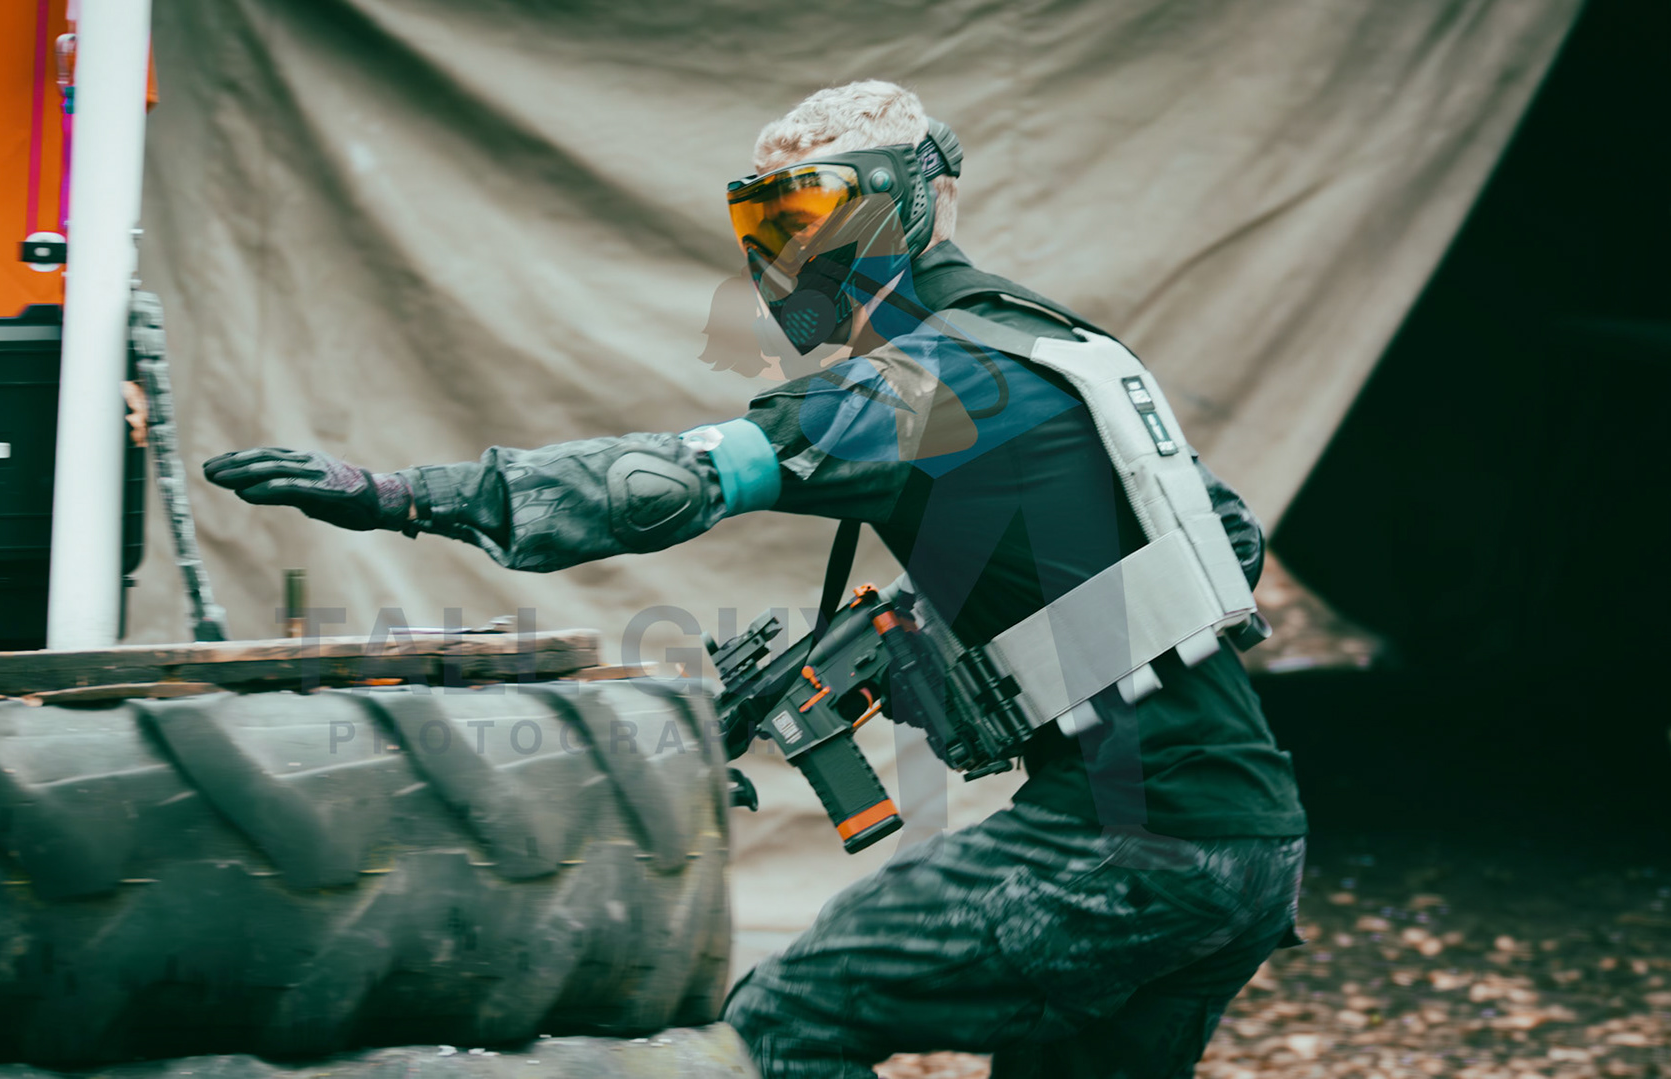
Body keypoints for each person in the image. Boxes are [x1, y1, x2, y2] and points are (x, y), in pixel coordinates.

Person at [204, 80, 1306, 1079]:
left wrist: (404, 495)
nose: (791, 254)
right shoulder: (1063, 350)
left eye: (813, 216)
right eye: (770, 225)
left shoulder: (932, 385)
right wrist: (978, 652)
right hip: (1246, 838)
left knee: (785, 1019)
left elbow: (663, 480)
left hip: (1122, 852)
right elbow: (1226, 540)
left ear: (900, 205)